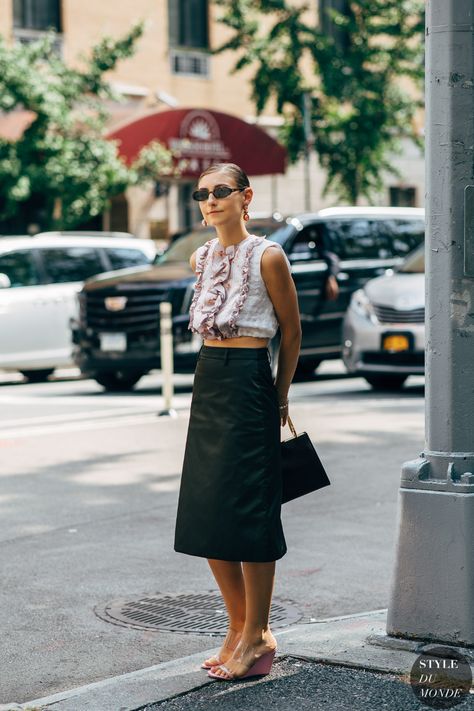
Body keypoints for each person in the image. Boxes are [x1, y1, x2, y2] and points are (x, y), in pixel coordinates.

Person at [173, 162, 301, 682]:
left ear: (245, 197)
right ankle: (237, 626)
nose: (210, 200)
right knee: (207, 510)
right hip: (209, 379)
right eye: (202, 193)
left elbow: (291, 332)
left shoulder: (268, 255)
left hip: (250, 379)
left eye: (221, 191)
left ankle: (259, 633)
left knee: (250, 511)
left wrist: (280, 395)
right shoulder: (200, 256)